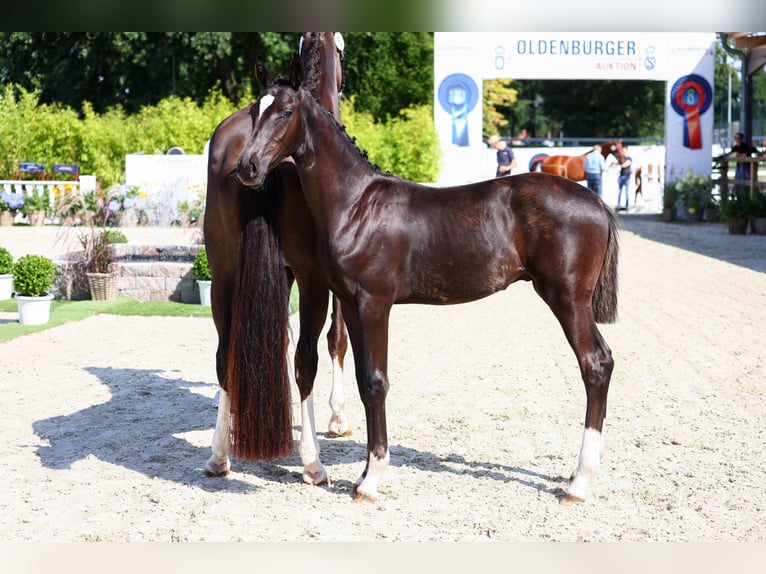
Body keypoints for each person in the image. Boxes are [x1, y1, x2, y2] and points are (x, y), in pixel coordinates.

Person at [613, 145, 633, 210]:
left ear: (627, 150)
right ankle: (618, 205)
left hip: (627, 177)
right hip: (621, 177)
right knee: (619, 192)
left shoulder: (629, 158)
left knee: (627, 192)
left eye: (624, 150)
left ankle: (627, 206)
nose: (623, 152)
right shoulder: (622, 158)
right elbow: (615, 165)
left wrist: (618, 164)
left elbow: (625, 165)